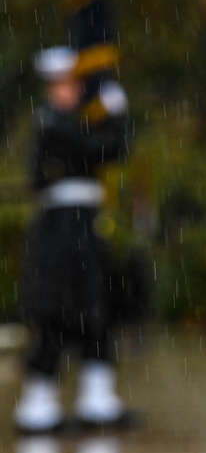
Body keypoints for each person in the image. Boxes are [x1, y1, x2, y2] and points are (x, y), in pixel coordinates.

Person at [13, 46, 130, 433]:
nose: (71, 91)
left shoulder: (77, 121)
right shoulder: (52, 122)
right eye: (63, 84)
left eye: (75, 83)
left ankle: (97, 399)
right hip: (59, 229)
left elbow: (114, 151)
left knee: (94, 311)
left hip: (85, 224)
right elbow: (99, 146)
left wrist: (112, 121)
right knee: (55, 312)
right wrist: (113, 118)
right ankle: (37, 403)